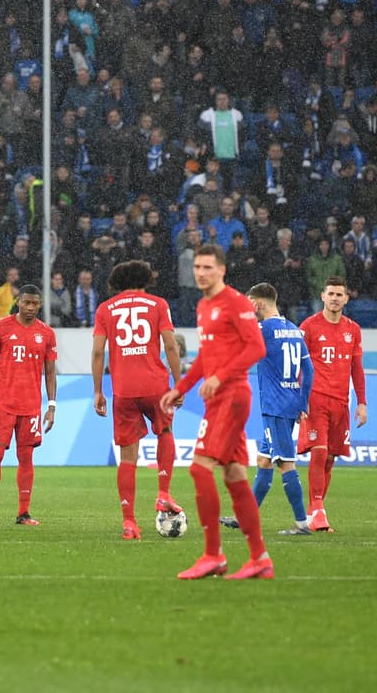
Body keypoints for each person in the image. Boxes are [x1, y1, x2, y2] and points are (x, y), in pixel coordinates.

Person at [159, 244, 272, 581]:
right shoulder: (203, 305)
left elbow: (256, 347)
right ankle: (259, 558)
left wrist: (221, 376)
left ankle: (213, 555)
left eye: (208, 267)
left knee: (200, 468)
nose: (201, 273)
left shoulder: (236, 303)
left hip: (232, 396)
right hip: (216, 397)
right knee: (235, 477)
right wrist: (180, 387)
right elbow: (207, 357)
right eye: (197, 267)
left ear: (222, 270)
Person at [91, 261, 185, 540]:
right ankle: (163, 493)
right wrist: (179, 384)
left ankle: (129, 523)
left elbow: (98, 353)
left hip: (124, 390)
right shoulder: (157, 304)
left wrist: (98, 391)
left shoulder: (105, 309)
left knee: (128, 459)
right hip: (155, 385)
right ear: (146, 279)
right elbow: (170, 344)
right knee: (165, 432)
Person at [219, 283, 315, 536]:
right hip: (290, 403)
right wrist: (303, 402)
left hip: (275, 406)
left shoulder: (263, 329)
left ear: (259, 304)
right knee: (264, 461)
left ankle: (302, 523)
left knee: (285, 462)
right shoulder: (294, 330)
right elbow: (309, 370)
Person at [0, 285, 58, 526]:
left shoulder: (46, 333)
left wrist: (52, 405)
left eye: (35, 304)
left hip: (31, 406)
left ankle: (23, 513)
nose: (30, 308)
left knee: (26, 458)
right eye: (26, 303)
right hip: (2, 404)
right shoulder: (0, 328)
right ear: (18, 302)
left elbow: (50, 372)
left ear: (40, 305)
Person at [297, 276, 367, 533]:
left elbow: (356, 369)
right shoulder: (309, 326)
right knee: (319, 450)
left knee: (330, 458)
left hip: (341, 402)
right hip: (315, 398)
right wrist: (298, 400)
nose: (335, 298)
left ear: (346, 299)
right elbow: (298, 366)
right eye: (331, 294)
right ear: (323, 296)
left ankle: (312, 512)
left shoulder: (353, 330)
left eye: (340, 294)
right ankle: (318, 510)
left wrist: (361, 402)